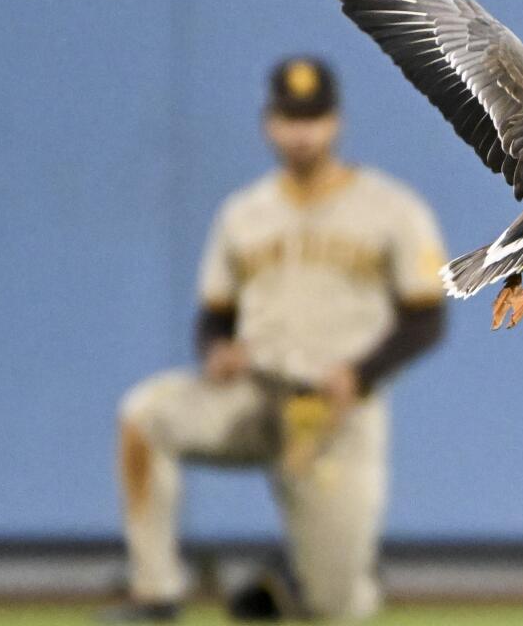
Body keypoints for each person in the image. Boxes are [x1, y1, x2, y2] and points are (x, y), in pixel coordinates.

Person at [102, 57, 448, 622]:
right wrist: (215, 351)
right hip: (253, 395)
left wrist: (360, 374)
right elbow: (215, 314)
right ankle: (155, 592)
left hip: (335, 410)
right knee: (145, 415)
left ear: (335, 123)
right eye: (289, 118)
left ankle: (317, 573)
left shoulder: (392, 208)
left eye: (313, 118)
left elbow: (425, 319)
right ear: (269, 123)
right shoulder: (243, 213)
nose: (301, 131)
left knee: (336, 606)